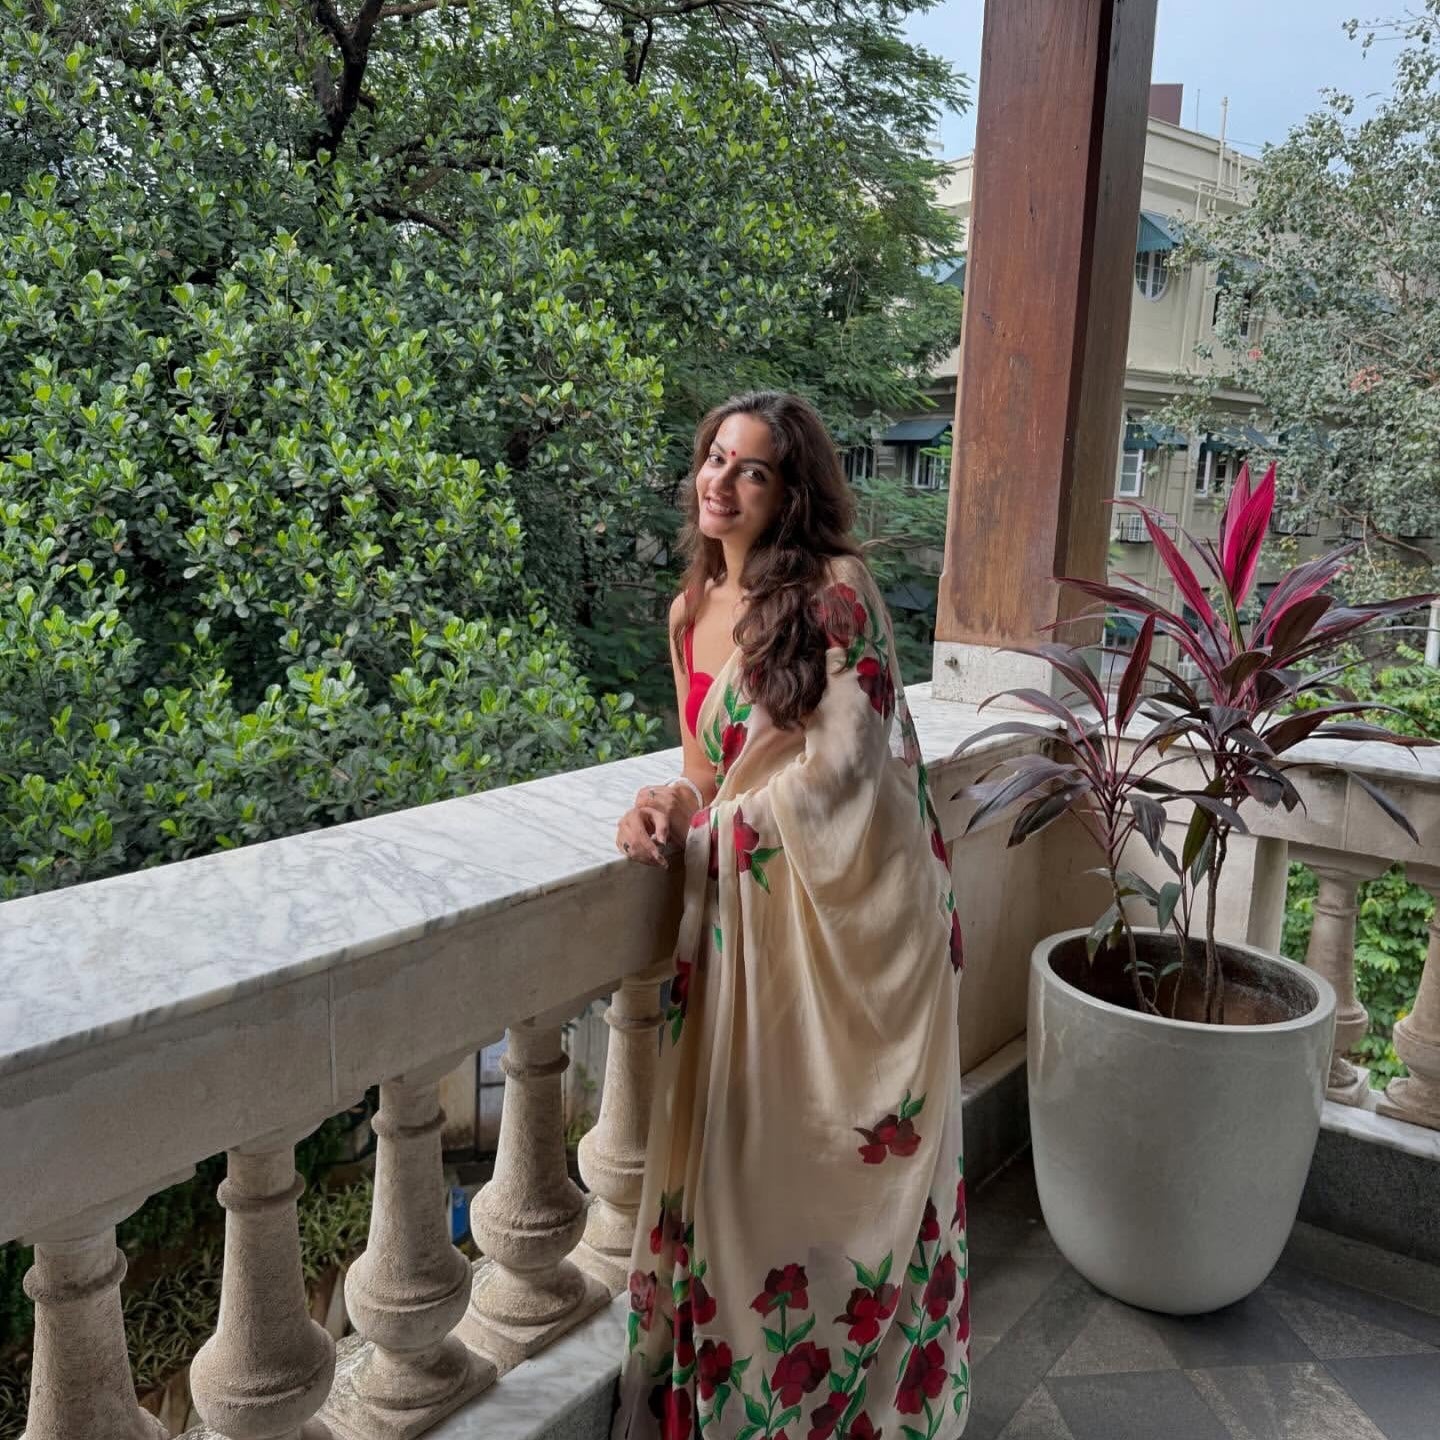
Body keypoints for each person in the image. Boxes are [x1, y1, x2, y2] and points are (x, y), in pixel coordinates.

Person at [612, 392, 969, 1440]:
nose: (719, 482)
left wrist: (720, 830)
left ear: (792, 490)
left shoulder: (834, 593)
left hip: (860, 939)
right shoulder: (689, 613)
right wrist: (663, 805)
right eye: (713, 460)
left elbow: (852, 770)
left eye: (752, 470)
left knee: (833, 1179)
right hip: (751, 940)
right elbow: (704, 770)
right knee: (740, 1177)